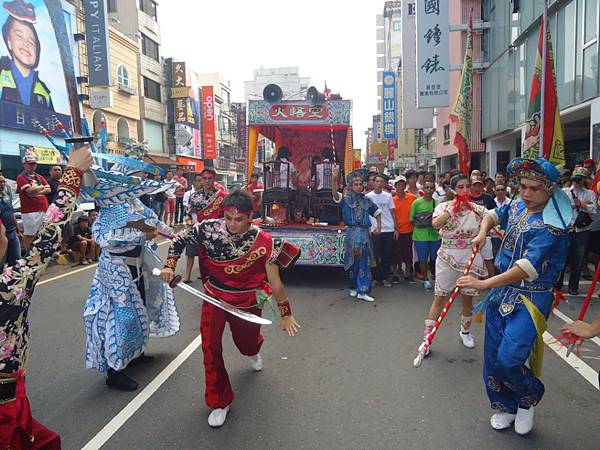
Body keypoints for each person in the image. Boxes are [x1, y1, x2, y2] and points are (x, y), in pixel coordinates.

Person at [160, 191, 301, 427]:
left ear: (250, 217)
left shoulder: (264, 241)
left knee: (246, 342)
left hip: (246, 301)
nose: (233, 224)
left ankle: (253, 349)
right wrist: (169, 266)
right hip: (214, 295)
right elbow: (178, 240)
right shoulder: (208, 228)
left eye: (239, 219)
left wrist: (286, 313)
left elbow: (275, 282)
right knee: (210, 346)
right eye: (228, 218)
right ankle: (219, 400)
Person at [457, 157, 569, 435]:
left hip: (530, 299)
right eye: (522, 186)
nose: (527, 193)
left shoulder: (552, 227)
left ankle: (528, 399)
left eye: (534, 188)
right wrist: (482, 233)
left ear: (550, 190)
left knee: (509, 358)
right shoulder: (518, 205)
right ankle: (506, 406)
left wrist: (483, 284)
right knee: (493, 358)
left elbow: (525, 268)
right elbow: (494, 214)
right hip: (501, 295)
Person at [0, 144, 92, 450]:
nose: (7, 232)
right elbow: (48, 236)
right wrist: (73, 172)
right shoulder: (10, 285)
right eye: (2, 230)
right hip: (7, 409)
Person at [84, 178, 180, 392]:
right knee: (123, 318)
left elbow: (154, 222)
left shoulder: (134, 202)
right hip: (116, 271)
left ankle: (134, 354)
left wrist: (177, 235)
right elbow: (105, 239)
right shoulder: (110, 207)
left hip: (137, 266)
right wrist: (141, 234)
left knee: (141, 311)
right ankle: (114, 371)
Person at [417, 174, 489, 354]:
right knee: (440, 297)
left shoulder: (478, 209)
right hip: (447, 256)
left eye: (467, 187)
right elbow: (434, 224)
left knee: (467, 298)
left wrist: (482, 236)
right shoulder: (443, 206)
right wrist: (451, 211)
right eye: (460, 187)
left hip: (470, 256)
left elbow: (488, 226)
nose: (465, 190)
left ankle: (465, 331)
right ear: (453, 189)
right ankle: (427, 339)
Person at [332, 167, 381, 302]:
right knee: (353, 262)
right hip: (352, 234)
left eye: (360, 184)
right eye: (356, 184)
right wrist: (334, 179)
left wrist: (379, 227)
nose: (359, 187)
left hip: (364, 234)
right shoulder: (346, 199)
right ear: (351, 185)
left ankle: (362, 290)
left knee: (364, 261)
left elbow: (377, 213)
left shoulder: (367, 200)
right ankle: (353, 287)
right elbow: (335, 195)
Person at [0, 0, 54, 110]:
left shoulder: (43, 90)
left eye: (31, 42)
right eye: (19, 36)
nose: (26, 44)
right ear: (9, 41)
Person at [555, 166, 597, 295]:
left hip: (582, 230)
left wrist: (582, 205)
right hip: (566, 229)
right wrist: (577, 204)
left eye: (580, 179)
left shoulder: (590, 193)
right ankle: (558, 283)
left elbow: (593, 210)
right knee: (562, 258)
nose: (577, 181)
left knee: (578, 259)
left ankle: (573, 286)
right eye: (576, 178)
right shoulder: (564, 192)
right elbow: (559, 208)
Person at [367, 174, 397, 287]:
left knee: (386, 255)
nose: (379, 184)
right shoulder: (368, 197)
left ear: (384, 184)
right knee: (374, 255)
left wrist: (395, 228)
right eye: (377, 181)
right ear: (373, 183)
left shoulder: (388, 196)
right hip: (374, 230)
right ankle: (374, 278)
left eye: (381, 182)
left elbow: (392, 212)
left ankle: (384, 278)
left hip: (388, 229)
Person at [409, 180, 439, 290]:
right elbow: (411, 219)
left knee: (436, 259)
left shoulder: (437, 203)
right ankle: (426, 279)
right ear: (423, 189)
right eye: (427, 187)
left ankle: (437, 278)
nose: (429, 190)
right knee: (422, 259)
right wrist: (421, 225)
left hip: (435, 236)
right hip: (420, 236)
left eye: (431, 188)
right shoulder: (416, 203)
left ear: (434, 189)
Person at [16, 152, 50, 250]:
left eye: (34, 164)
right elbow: (29, 190)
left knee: (43, 233)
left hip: (43, 209)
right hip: (30, 211)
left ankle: (40, 253)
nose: (33, 166)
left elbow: (48, 189)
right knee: (30, 234)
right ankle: (28, 255)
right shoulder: (21, 177)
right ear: (25, 164)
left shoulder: (39, 177)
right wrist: (40, 188)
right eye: (30, 164)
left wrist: (37, 190)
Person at [391, 176, 417, 283]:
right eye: (398, 185)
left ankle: (408, 272)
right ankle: (395, 273)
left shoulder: (412, 198)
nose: (400, 187)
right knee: (396, 253)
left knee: (408, 253)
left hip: (409, 230)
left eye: (402, 185)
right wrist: (395, 229)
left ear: (405, 186)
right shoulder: (392, 200)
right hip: (397, 230)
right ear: (395, 186)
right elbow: (391, 216)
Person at [470, 176, 497, 276]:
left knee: (488, 259)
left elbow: (494, 214)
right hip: (471, 234)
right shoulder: (466, 198)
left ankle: (491, 280)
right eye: (474, 185)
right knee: (472, 259)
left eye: (479, 185)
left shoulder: (488, 198)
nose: (477, 187)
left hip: (486, 234)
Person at [181, 173, 203, 283]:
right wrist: (188, 225)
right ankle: (188, 275)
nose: (201, 183)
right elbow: (188, 210)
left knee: (204, 254)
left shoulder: (208, 195)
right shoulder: (188, 194)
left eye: (202, 180)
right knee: (190, 253)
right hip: (193, 226)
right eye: (198, 180)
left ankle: (203, 274)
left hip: (205, 227)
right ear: (194, 182)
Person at [0, 174, 21, 270]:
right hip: (2, 235)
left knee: (16, 259)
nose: (2, 184)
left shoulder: (6, 195)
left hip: (12, 232)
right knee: (1, 261)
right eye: (0, 182)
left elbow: (11, 213)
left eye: (3, 181)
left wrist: (18, 229)